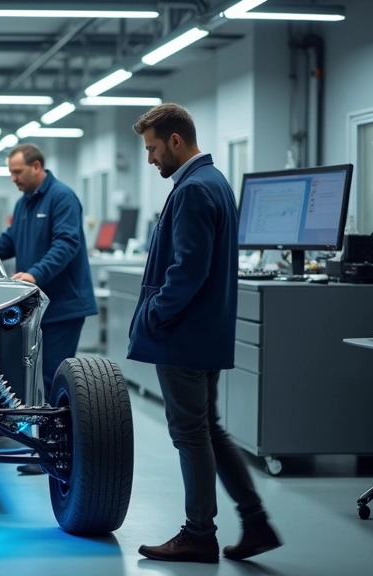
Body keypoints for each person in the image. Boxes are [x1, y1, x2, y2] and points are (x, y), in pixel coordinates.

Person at [128, 103, 281, 563]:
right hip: (203, 333)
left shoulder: (194, 189)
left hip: (183, 335)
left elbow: (188, 271)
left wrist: (155, 315)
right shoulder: (213, 182)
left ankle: (198, 534)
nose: (150, 159)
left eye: (153, 149)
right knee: (208, 431)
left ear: (176, 140)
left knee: (190, 435)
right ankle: (255, 522)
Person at [0, 144, 97, 475]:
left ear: (37, 167)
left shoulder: (62, 198)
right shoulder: (25, 203)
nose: (13, 178)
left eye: (17, 172)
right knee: (35, 377)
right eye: (10, 172)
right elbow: (10, 240)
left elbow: (67, 244)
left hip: (63, 307)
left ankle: (52, 453)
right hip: (37, 307)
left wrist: (34, 274)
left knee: (52, 378)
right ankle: (42, 446)